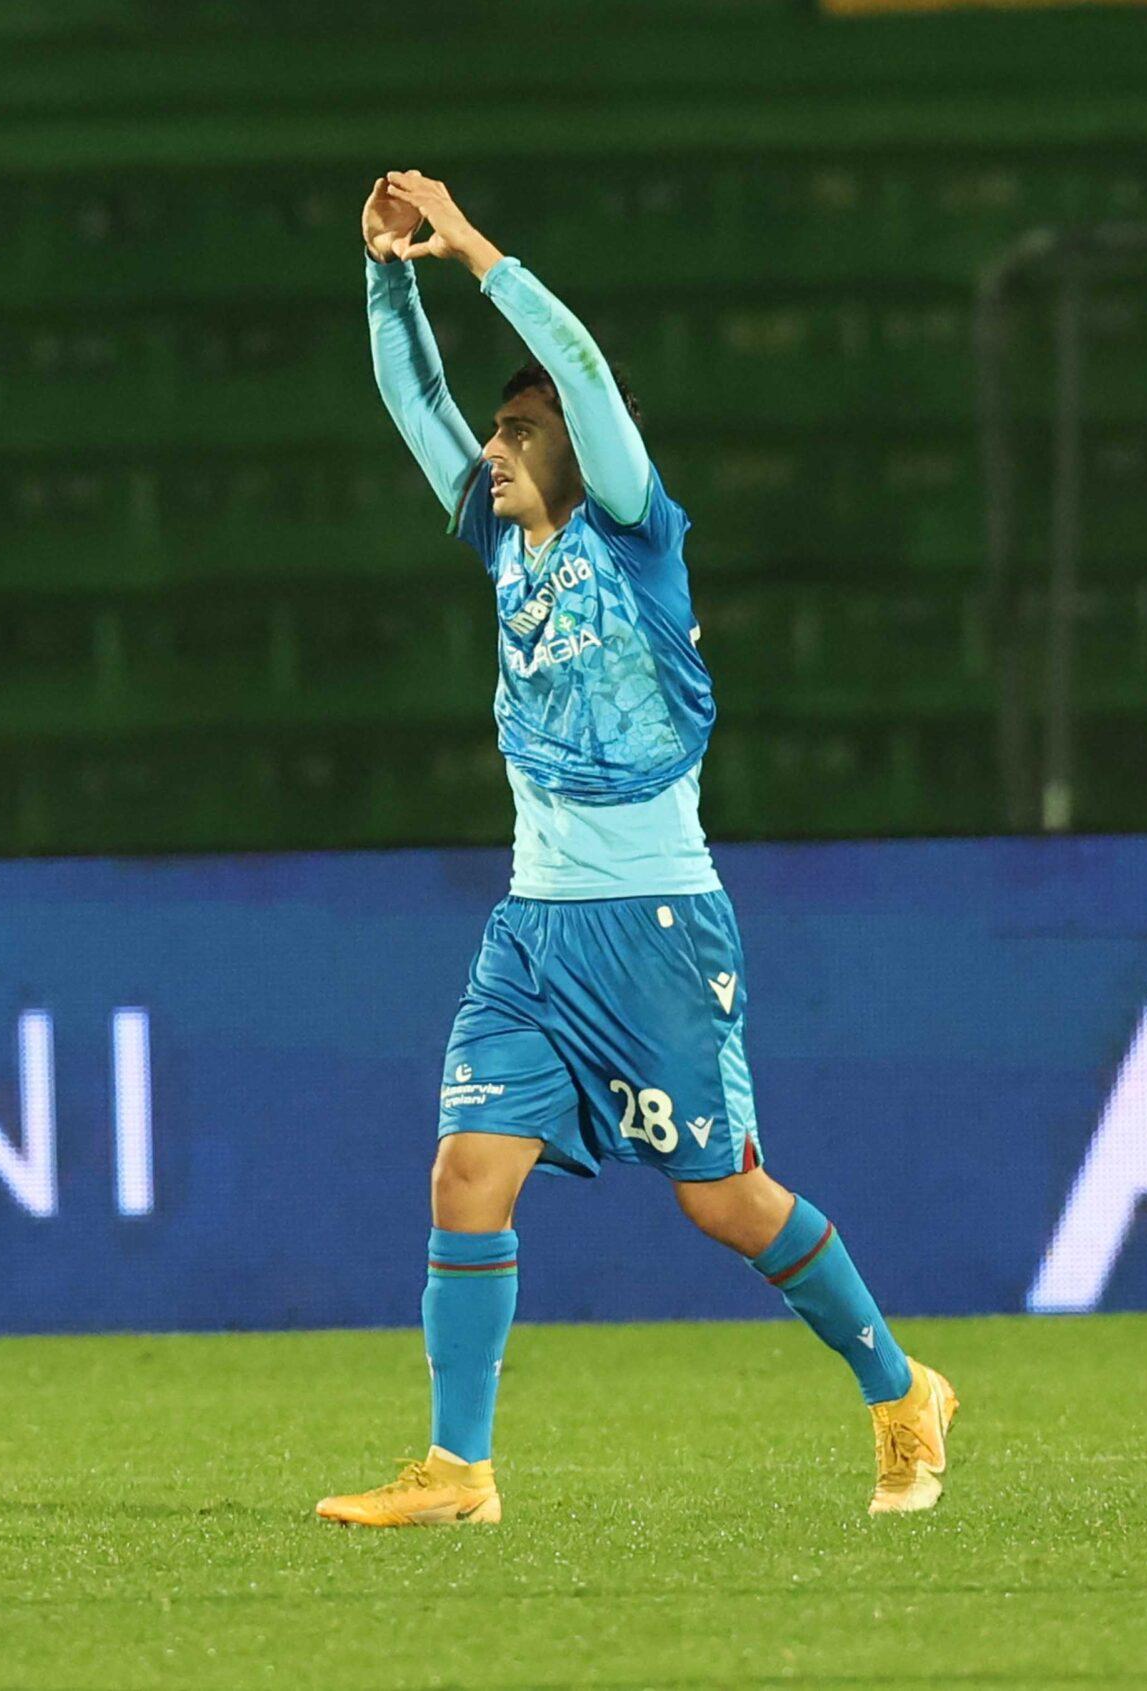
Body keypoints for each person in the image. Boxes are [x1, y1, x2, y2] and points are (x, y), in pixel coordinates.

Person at [316, 173, 957, 1529]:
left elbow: (584, 366)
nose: (497, 447)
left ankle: (902, 1391)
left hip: (656, 927)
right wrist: (385, 273)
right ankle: (459, 1469)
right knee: (466, 1175)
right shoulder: (502, 544)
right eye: (499, 431)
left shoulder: (638, 539)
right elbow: (411, 406)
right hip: (533, 932)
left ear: (579, 449)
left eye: (522, 430)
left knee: (724, 1202)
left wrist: (471, 244)